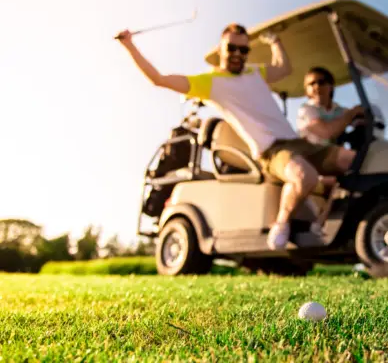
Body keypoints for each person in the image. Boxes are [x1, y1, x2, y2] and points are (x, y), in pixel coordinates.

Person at [115, 24, 357, 250]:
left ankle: (330, 224)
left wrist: (275, 42)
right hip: (271, 150)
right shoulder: (211, 83)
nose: (238, 54)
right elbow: (160, 80)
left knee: (352, 159)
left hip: (297, 142)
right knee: (306, 176)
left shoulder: (254, 71)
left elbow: (284, 68)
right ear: (221, 48)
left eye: (244, 49)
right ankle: (281, 224)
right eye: (232, 48)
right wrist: (129, 46)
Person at [297, 67, 366, 147]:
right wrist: (352, 113)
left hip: (338, 156)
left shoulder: (341, 110)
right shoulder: (305, 109)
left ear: (331, 86)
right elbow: (326, 132)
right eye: (311, 84)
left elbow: (360, 121)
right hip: (313, 157)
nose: (317, 86)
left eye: (321, 82)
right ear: (306, 91)